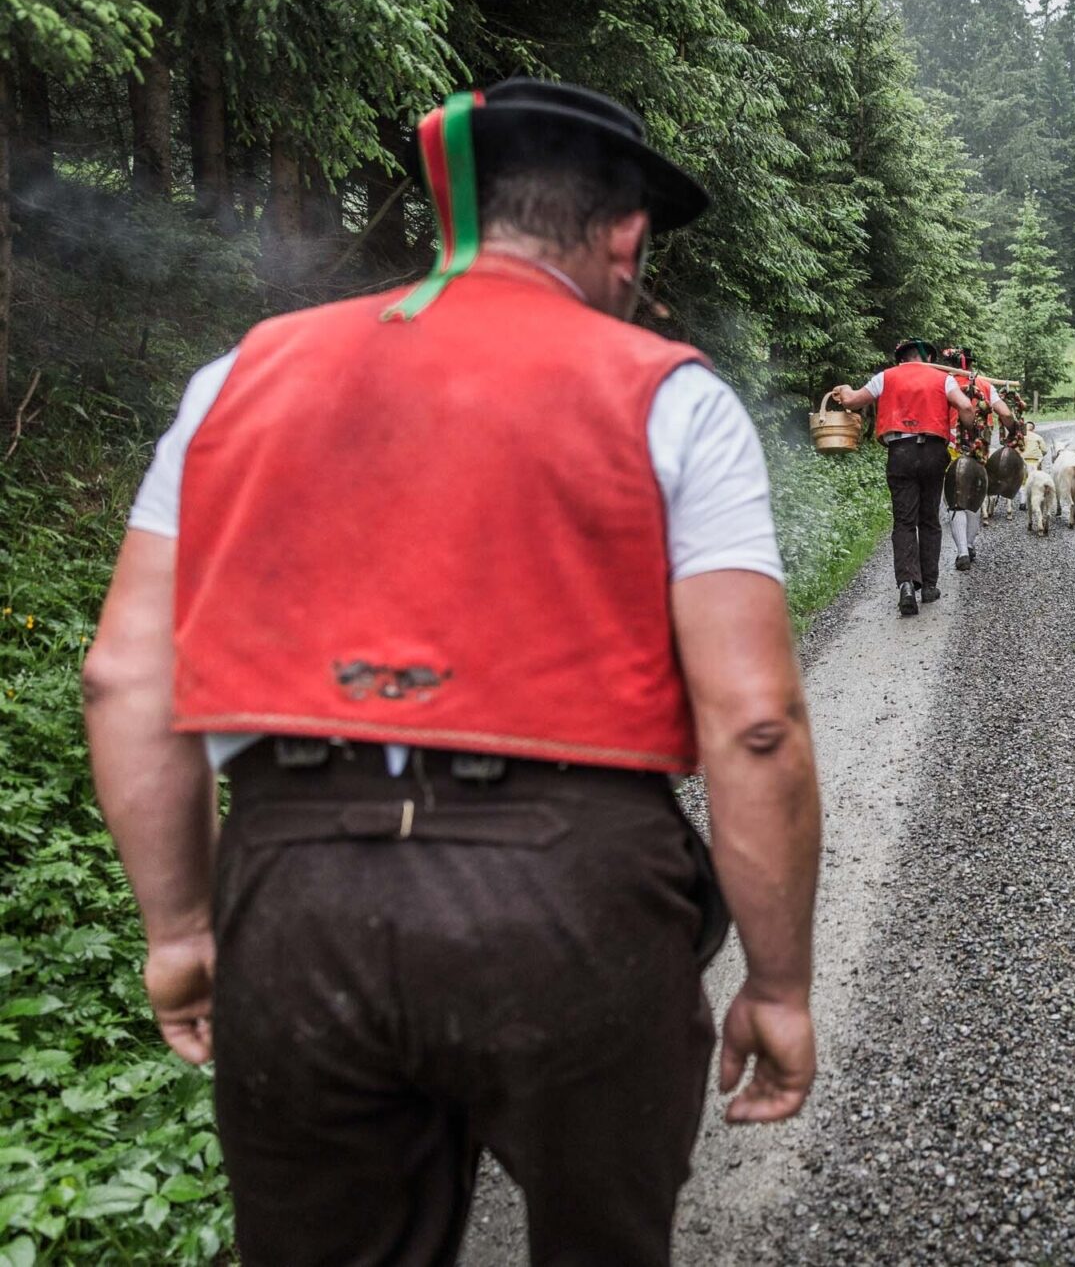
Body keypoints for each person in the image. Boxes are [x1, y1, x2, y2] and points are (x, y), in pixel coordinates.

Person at [82, 79, 824, 1266]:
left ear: (456, 218)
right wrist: (777, 985)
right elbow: (754, 722)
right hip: (575, 899)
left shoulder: (235, 378)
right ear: (625, 236)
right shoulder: (669, 394)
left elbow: (124, 676)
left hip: (296, 899)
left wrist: (178, 926)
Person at [829, 339, 978, 615]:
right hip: (934, 451)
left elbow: (851, 400)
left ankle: (907, 585)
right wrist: (970, 434)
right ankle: (929, 586)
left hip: (900, 452)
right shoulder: (943, 379)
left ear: (901, 358)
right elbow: (966, 408)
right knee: (929, 519)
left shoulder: (885, 377)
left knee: (904, 521)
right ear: (928, 358)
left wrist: (845, 389)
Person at [938, 345, 1018, 570]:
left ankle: (962, 551)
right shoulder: (986, 386)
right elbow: (1006, 413)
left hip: (952, 446)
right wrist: (1014, 432)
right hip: (980, 448)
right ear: (971, 364)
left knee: (956, 500)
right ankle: (970, 545)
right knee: (974, 496)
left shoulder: (944, 384)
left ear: (950, 365)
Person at [1017, 420, 1048, 511]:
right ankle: (1034, 503)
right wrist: (1039, 456)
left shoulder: (1020, 437)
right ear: (1033, 429)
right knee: (1035, 482)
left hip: (1023, 461)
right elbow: (1044, 450)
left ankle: (1023, 502)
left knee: (1023, 482)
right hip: (1035, 462)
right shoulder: (1038, 437)